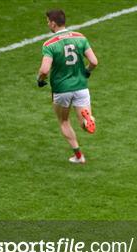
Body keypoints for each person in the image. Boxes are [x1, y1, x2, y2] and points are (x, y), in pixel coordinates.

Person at [37, 9, 98, 164]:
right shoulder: (80, 38)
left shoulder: (49, 45)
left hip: (62, 90)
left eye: (48, 22)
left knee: (64, 121)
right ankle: (87, 118)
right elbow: (94, 62)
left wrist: (40, 80)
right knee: (83, 124)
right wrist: (87, 72)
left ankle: (79, 156)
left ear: (53, 23)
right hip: (81, 86)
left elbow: (44, 70)